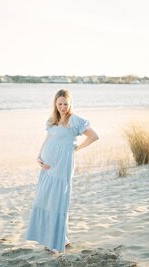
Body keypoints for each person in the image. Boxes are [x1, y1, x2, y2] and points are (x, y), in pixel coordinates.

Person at [26, 89, 99, 254]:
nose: (63, 107)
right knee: (46, 199)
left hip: (62, 165)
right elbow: (48, 138)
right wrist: (39, 155)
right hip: (47, 166)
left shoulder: (75, 120)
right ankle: (60, 239)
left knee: (59, 200)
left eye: (66, 103)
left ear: (70, 103)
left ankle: (57, 242)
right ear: (55, 104)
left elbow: (94, 136)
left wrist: (76, 148)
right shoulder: (53, 119)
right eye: (59, 104)